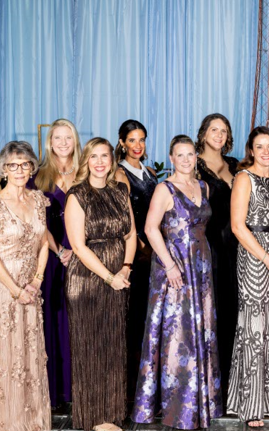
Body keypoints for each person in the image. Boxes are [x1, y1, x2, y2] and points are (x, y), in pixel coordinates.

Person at [132, 135, 223, 430]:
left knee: (200, 328)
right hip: (174, 265)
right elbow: (150, 228)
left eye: (190, 154)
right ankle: (178, 406)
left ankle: (201, 400)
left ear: (196, 157)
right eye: (180, 155)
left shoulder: (203, 186)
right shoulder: (165, 188)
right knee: (177, 333)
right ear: (171, 158)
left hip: (201, 266)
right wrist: (170, 265)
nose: (185, 160)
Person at [0, 141, 51, 431]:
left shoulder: (38, 200)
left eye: (25, 164)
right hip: (2, 288)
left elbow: (44, 243)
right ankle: (3, 423)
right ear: (3, 169)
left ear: (32, 167)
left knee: (28, 354)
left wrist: (37, 281)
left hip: (31, 285)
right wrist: (16, 291)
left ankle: (30, 421)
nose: (20, 170)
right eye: (13, 165)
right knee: (4, 356)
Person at [64, 138, 138, 431]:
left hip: (119, 275)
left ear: (111, 160)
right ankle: (93, 417)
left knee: (114, 344)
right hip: (87, 279)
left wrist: (126, 268)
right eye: (93, 156)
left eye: (104, 156)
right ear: (86, 161)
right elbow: (78, 247)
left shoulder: (120, 191)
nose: (99, 162)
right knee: (90, 346)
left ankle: (111, 414)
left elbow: (130, 235)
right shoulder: (77, 195)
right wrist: (109, 277)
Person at [227, 127, 269, 427]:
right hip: (255, 258)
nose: (266, 151)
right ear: (251, 150)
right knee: (254, 328)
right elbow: (237, 226)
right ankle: (251, 405)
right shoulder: (244, 178)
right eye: (259, 146)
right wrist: (266, 258)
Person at [32, 118, 78, 409]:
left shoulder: (86, 171)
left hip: (84, 254)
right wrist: (59, 250)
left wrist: (79, 250)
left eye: (68, 138)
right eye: (57, 138)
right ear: (50, 142)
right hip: (50, 255)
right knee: (53, 317)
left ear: (75, 142)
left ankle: (79, 386)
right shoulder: (37, 176)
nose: (63, 143)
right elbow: (35, 221)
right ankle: (55, 389)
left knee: (78, 319)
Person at [195, 113, 239, 391]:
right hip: (210, 244)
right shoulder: (194, 165)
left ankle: (232, 374)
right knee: (213, 308)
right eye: (214, 130)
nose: (219, 135)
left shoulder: (235, 164)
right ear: (203, 133)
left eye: (224, 131)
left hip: (237, 243)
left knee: (233, 307)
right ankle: (210, 377)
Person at [115, 119, 160, 393]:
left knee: (150, 317)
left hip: (155, 250)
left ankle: (149, 381)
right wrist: (146, 249)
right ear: (122, 143)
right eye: (132, 140)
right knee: (135, 319)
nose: (137, 145)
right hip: (138, 253)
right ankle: (133, 387)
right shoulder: (120, 174)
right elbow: (125, 221)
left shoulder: (150, 172)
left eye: (141, 139)